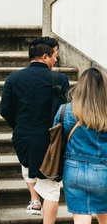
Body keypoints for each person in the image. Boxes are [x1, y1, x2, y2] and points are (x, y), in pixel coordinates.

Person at [0, 37, 70, 223]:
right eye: (55, 56)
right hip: (50, 140)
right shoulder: (60, 79)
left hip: (22, 136)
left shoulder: (13, 78)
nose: (56, 60)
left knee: (28, 166)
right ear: (45, 56)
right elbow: (66, 110)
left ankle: (34, 200)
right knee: (51, 190)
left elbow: (5, 110)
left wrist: (19, 125)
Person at [53, 68, 107, 224]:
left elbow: (56, 137)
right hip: (104, 171)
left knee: (81, 218)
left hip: (73, 170)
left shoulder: (65, 110)